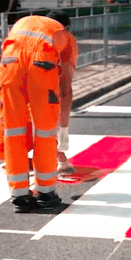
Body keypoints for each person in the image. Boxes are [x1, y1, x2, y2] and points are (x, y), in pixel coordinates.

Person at [0, 14, 70, 212]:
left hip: (10, 63)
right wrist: (64, 127)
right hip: (42, 64)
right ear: (67, 26)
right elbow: (66, 87)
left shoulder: (22, 23)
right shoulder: (63, 34)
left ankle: (19, 196)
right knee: (45, 132)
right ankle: (46, 193)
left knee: (13, 132)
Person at [45, 10, 78, 175]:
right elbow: (66, 86)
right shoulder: (64, 40)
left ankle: (60, 159)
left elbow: (65, 85)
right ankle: (59, 160)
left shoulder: (66, 42)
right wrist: (64, 130)